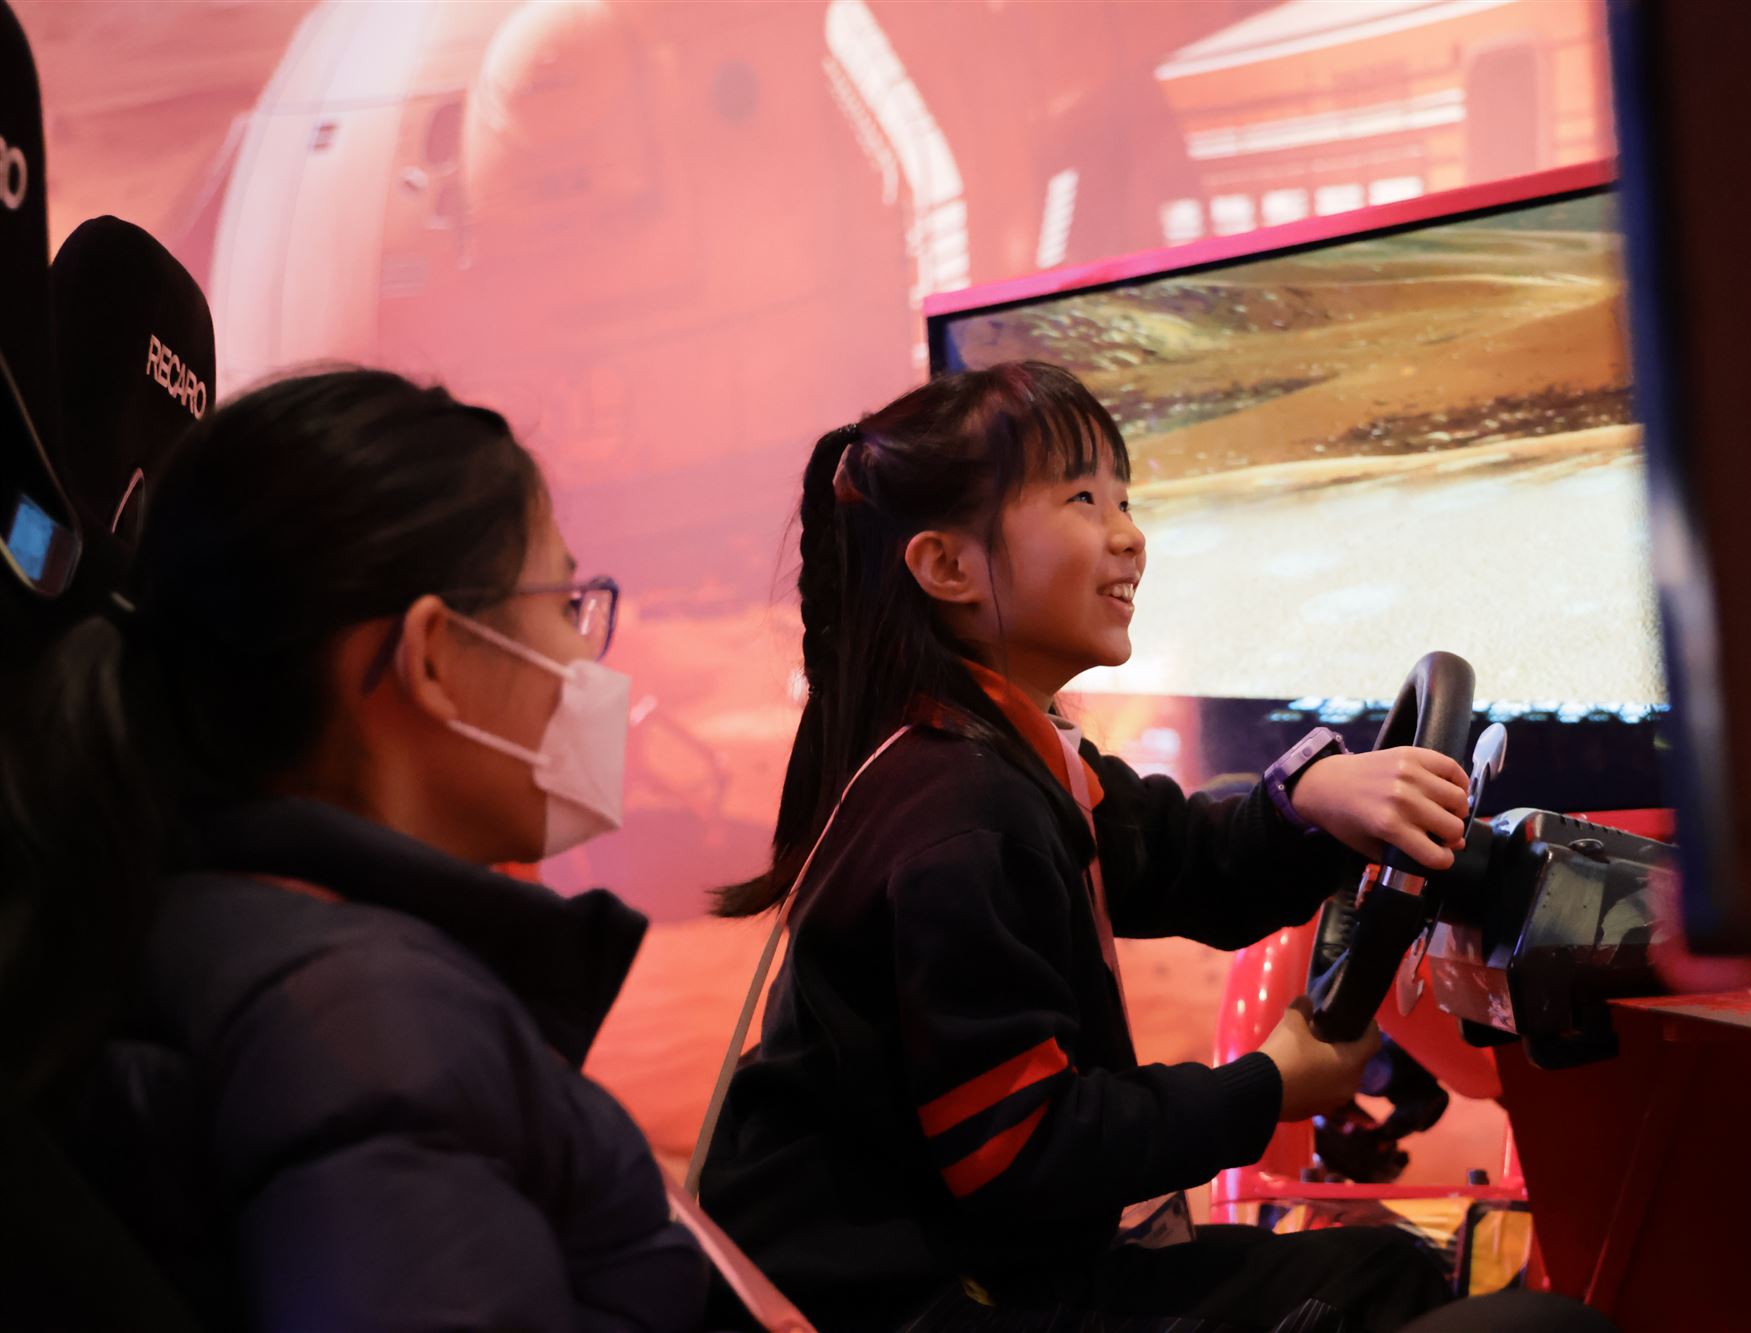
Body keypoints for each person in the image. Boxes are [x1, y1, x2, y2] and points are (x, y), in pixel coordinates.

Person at [698, 360, 1483, 1331]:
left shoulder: (996, 752)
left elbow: (1179, 856)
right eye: (1082, 499)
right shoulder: (963, 814)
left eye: (1124, 498)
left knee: (1372, 1267)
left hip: (977, 1266)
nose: (1129, 535)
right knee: (1378, 1281)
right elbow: (1023, 1151)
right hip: (927, 1304)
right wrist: (1265, 1085)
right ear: (945, 567)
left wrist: (1310, 799)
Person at [0, 369, 712, 1330]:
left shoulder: (218, 928)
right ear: (433, 656)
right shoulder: (366, 1016)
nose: (589, 661)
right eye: (566, 604)